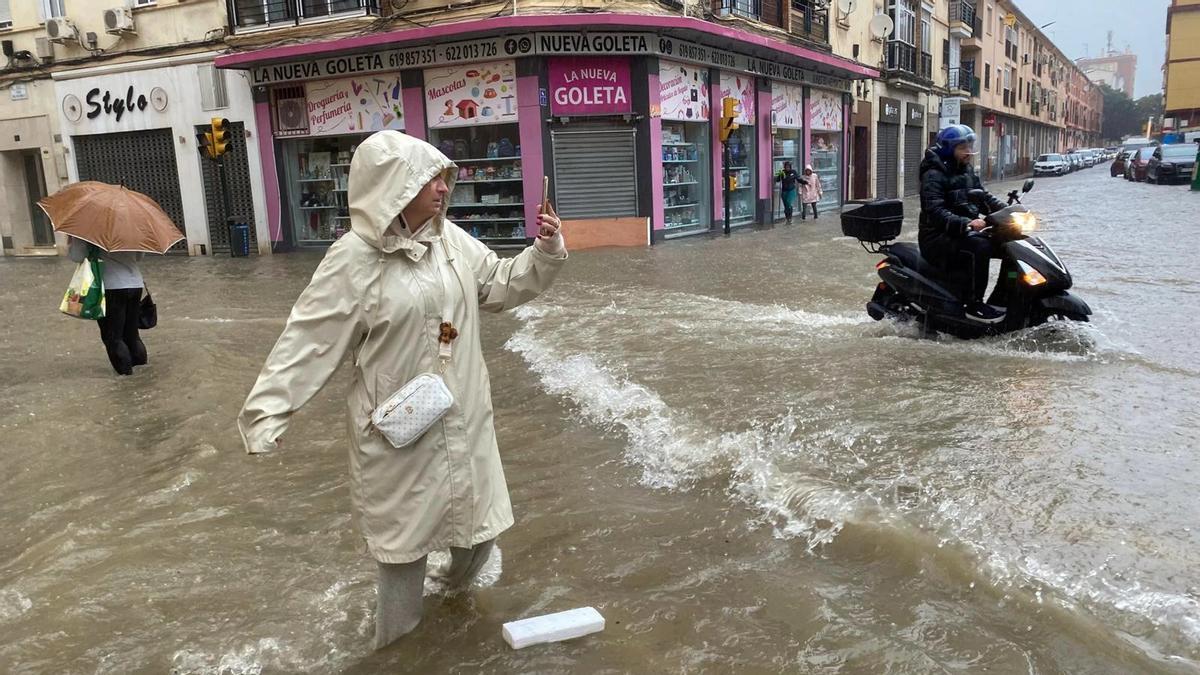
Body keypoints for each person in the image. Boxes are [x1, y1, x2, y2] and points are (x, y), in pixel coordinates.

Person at [236, 130, 566, 650]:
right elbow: (309, 340)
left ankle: (451, 612)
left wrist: (544, 252)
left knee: (479, 531)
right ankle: (395, 653)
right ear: (395, 186)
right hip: (399, 433)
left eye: (443, 178)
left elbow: (499, 283)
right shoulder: (353, 260)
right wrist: (268, 412)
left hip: (463, 417)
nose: (443, 188)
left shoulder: (449, 241)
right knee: (404, 554)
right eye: (430, 179)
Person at [918, 124, 1008, 324]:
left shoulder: (966, 171)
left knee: (1007, 243)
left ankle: (1005, 297)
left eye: (970, 146)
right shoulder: (933, 175)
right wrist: (967, 223)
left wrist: (1008, 211)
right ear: (949, 149)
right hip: (937, 238)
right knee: (981, 246)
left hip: (961, 233)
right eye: (962, 147)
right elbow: (935, 211)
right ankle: (973, 305)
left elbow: (984, 197)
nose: (968, 151)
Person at [67, 236, 147, 375]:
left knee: (113, 337)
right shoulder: (133, 229)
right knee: (132, 334)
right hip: (135, 284)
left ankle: (126, 379)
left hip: (110, 286)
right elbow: (139, 257)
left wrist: (71, 241)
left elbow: (77, 256)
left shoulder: (89, 230)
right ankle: (143, 375)